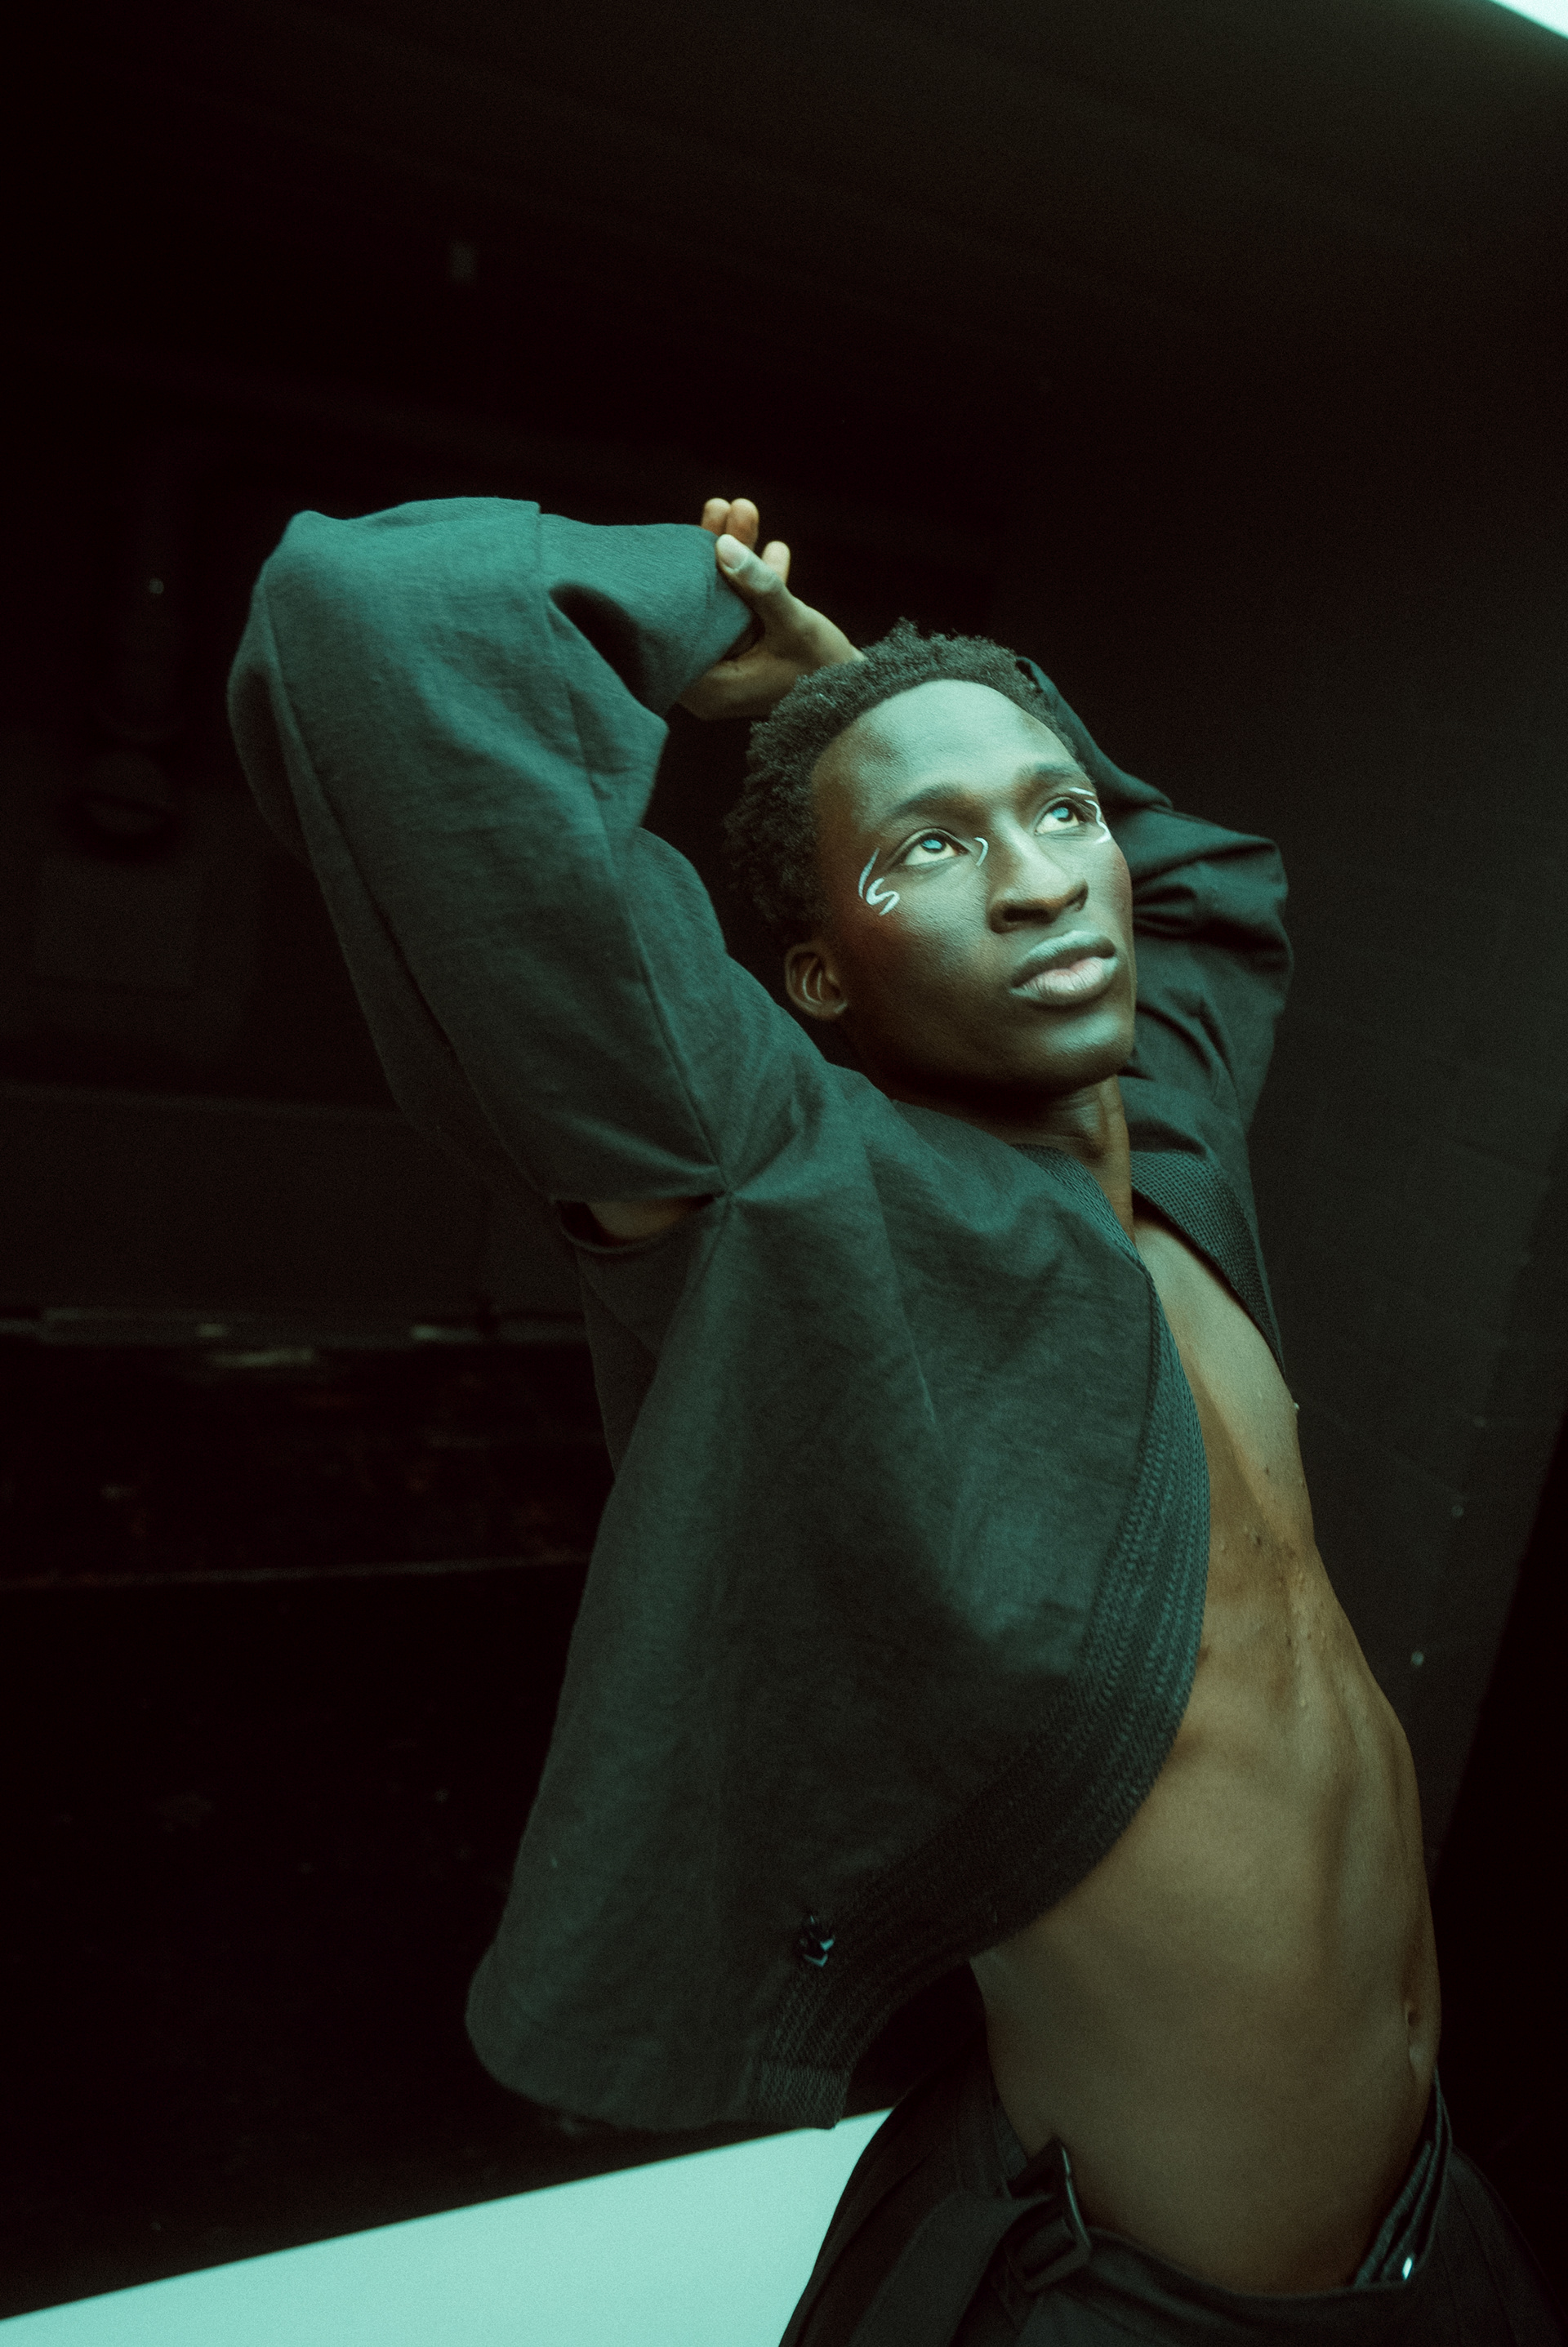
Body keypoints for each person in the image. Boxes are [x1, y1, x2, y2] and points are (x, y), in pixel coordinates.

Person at [228, 492, 1562, 2343]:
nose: (1040, 882)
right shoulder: (803, 1192)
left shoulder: (1175, 1169)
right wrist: (717, 626)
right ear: (817, 977)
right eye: (931, 847)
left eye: (1059, 813)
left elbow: (1194, 881)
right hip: (1158, 2308)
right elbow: (364, 616)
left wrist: (874, 691)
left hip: (1440, 2234)